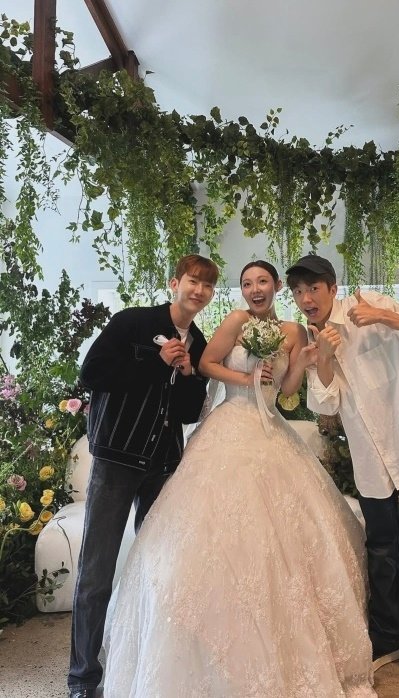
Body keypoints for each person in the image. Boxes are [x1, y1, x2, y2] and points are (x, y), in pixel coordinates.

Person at [103, 260, 376, 698]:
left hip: (271, 430)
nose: (255, 289)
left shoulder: (294, 330)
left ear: (277, 287)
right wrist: (246, 378)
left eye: (262, 281)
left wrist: (306, 361)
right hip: (230, 422)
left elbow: (288, 391)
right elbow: (206, 364)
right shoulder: (235, 320)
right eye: (247, 283)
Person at [286, 254, 399, 698]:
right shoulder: (313, 338)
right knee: (380, 549)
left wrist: (383, 316)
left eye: (313, 288)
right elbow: (324, 405)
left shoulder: (370, 305)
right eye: (299, 292)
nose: (306, 299)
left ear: (332, 287)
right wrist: (324, 358)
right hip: (369, 458)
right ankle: (388, 636)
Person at [68, 254, 219, 698]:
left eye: (208, 286)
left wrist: (188, 373)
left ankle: (143, 669)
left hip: (162, 466)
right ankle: (82, 679)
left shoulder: (199, 342)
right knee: (96, 575)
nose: (199, 291)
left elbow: (188, 411)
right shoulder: (132, 322)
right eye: (193, 281)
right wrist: (156, 361)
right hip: (117, 461)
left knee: (158, 571)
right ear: (175, 283)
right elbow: (92, 374)